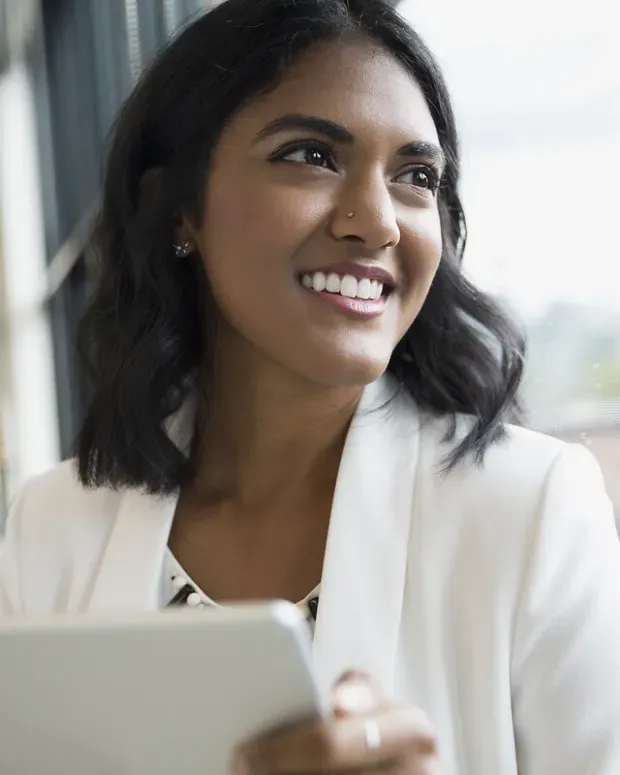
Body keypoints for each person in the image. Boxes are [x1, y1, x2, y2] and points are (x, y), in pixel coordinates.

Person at [1, 0, 619, 772]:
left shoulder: (534, 509)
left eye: (416, 176)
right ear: (179, 209)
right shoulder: (51, 527)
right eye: (312, 156)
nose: (377, 222)